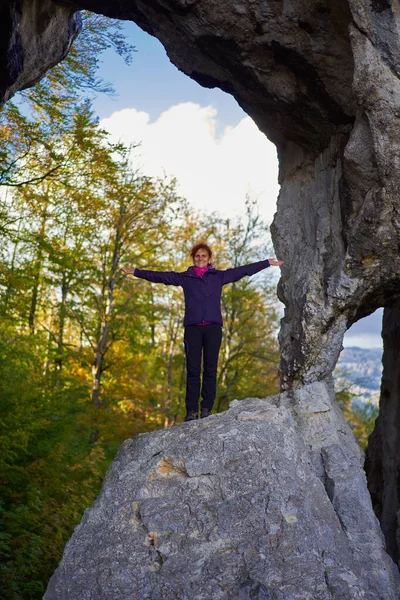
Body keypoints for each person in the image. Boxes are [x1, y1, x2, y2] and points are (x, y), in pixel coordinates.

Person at [121, 242, 283, 422]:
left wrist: (266, 263)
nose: (200, 259)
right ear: (193, 258)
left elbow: (242, 271)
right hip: (193, 329)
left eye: (203, 256)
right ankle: (191, 411)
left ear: (209, 259)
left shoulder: (218, 276)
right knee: (192, 369)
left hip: (213, 329)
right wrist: (136, 272)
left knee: (210, 369)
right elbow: (160, 276)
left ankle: (206, 408)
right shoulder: (185, 278)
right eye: (197, 256)